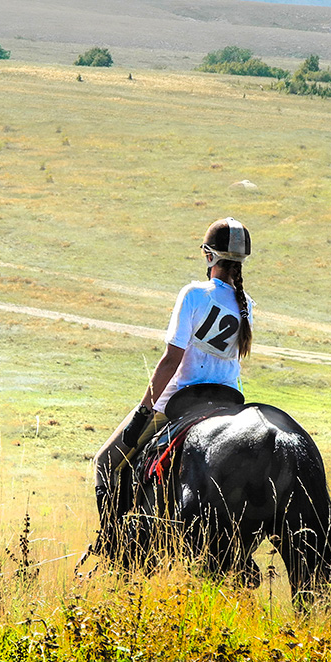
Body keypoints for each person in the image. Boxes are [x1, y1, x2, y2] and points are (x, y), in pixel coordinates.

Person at [93, 217, 254, 551]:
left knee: (105, 462)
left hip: (182, 400)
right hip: (229, 402)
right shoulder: (247, 306)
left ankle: (111, 544)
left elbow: (171, 360)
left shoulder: (194, 294)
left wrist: (143, 411)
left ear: (209, 257)